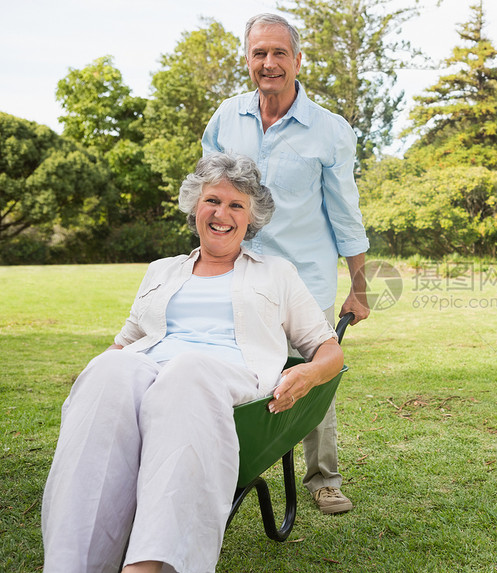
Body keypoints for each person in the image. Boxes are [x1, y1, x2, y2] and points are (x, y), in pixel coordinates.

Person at [41, 153, 344, 573]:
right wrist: (92, 382)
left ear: (251, 217)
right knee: (110, 369)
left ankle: (149, 567)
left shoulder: (276, 273)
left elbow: (330, 350)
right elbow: (125, 343)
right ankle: (71, 566)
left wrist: (309, 373)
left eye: (237, 205)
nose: (222, 214)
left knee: (187, 370)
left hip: (225, 384)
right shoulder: (161, 271)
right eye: (213, 201)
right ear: (194, 207)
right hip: (149, 377)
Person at [202, 12, 369, 515]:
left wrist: (359, 286)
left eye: (279, 53)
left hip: (304, 279)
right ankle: (216, 462)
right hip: (237, 275)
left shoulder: (329, 131)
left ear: (298, 60)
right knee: (222, 366)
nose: (269, 63)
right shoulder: (225, 119)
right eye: (259, 53)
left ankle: (323, 478)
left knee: (313, 369)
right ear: (248, 60)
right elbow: (208, 199)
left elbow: (345, 212)